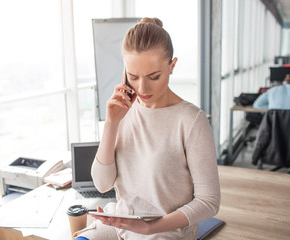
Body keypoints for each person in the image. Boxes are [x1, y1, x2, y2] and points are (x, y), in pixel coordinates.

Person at [75, 17, 220, 240]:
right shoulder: (122, 112)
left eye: (154, 77)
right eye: (133, 77)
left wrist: (150, 227)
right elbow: (102, 185)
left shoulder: (191, 121)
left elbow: (208, 202)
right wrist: (112, 123)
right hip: (122, 224)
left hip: (165, 233)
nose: (142, 88)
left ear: (172, 66)